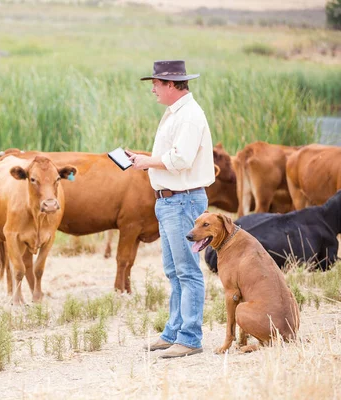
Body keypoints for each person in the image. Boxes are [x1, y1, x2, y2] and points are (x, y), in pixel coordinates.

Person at [127, 60, 215, 359]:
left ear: (171, 85)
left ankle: (189, 338)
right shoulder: (176, 113)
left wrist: (145, 162)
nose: (152, 88)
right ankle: (174, 333)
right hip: (171, 200)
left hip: (183, 200)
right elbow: (174, 156)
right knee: (174, 271)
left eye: (156, 83)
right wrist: (143, 158)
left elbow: (181, 159)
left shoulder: (189, 116)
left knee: (187, 272)